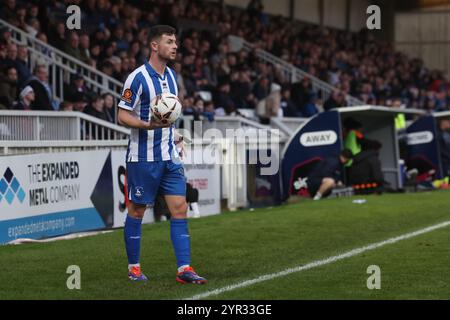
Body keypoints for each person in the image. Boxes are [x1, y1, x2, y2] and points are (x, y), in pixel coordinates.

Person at [117, 25, 207, 284]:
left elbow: (168, 114)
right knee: (137, 210)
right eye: (169, 41)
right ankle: (134, 268)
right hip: (143, 158)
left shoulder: (171, 76)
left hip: (169, 155)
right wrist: (148, 125)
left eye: (176, 41)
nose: (175, 46)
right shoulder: (136, 78)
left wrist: (175, 135)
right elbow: (122, 115)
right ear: (154, 46)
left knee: (179, 208)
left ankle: (184, 270)